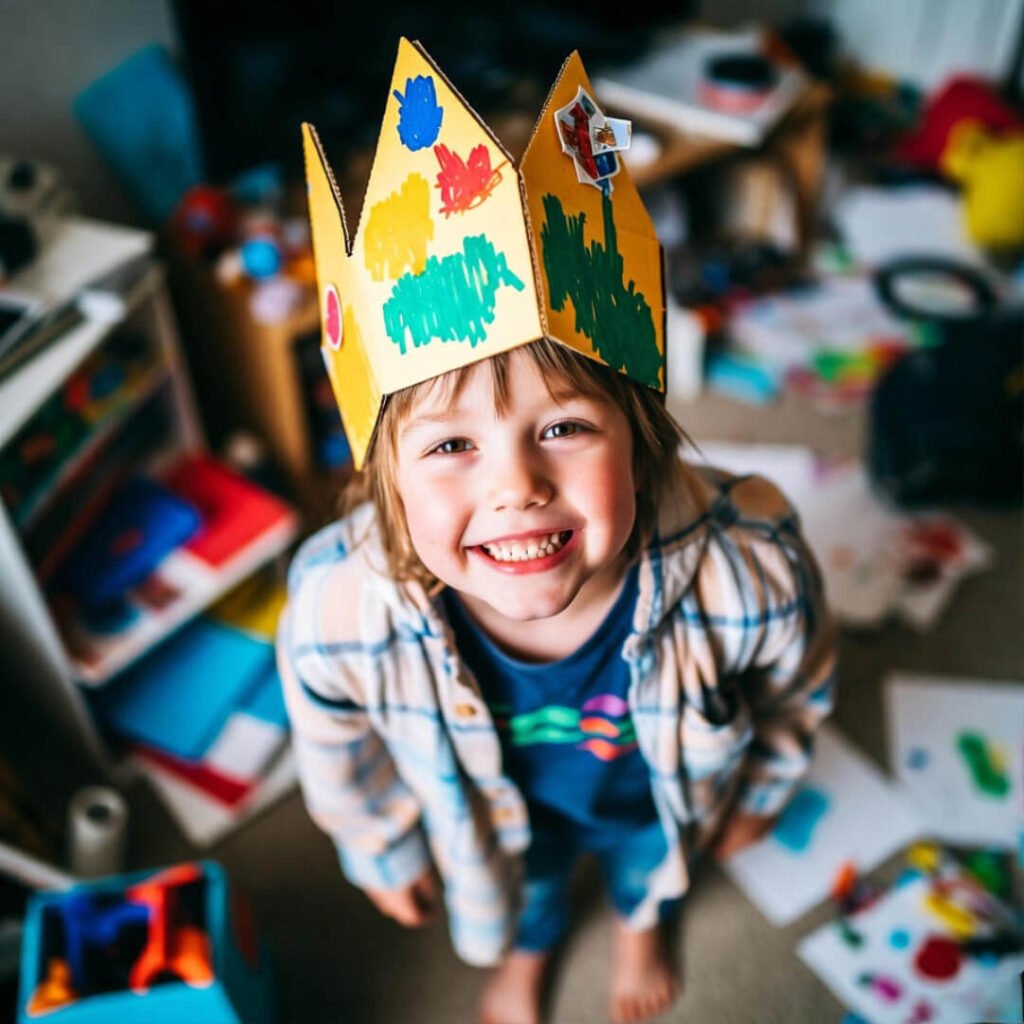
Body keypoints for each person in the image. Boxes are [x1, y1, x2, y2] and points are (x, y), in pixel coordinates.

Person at [277, 336, 837, 1024]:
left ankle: (640, 926)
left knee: (650, 872)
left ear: (640, 441)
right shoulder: (339, 606)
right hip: (499, 820)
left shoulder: (749, 566)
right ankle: (529, 949)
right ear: (389, 474)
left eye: (564, 427)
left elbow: (797, 685)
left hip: (655, 799)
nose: (516, 487)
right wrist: (380, 849)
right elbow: (335, 746)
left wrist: (762, 790)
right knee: (529, 893)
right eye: (452, 445)